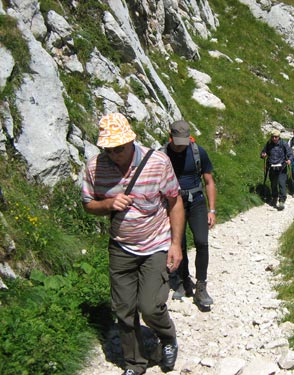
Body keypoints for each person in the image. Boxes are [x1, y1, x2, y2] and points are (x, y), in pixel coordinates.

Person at [82, 113, 184, 375]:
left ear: (131, 141)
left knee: (150, 306)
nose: (115, 153)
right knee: (123, 310)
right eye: (109, 149)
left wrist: (176, 245)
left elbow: (174, 201)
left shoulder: (158, 162)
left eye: (120, 148)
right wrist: (107, 203)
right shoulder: (94, 167)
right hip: (120, 246)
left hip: (156, 244)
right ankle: (135, 363)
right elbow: (88, 205)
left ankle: (168, 337)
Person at [162, 120, 217, 307]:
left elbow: (209, 181)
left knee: (202, 241)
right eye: (178, 142)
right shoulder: (162, 155)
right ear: (171, 137)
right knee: (180, 244)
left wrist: (212, 210)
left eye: (184, 142)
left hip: (196, 201)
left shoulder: (197, 152)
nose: (181, 146)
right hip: (173, 203)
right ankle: (183, 281)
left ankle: (201, 287)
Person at [260, 129, 292, 210]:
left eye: (276, 137)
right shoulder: (269, 143)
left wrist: (289, 160)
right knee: (273, 184)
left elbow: (290, 154)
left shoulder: (284, 144)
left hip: (282, 167)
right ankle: (274, 197)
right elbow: (263, 152)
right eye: (273, 137)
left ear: (279, 137)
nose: (274, 138)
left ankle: (281, 201)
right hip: (272, 167)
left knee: (282, 183)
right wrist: (263, 155)